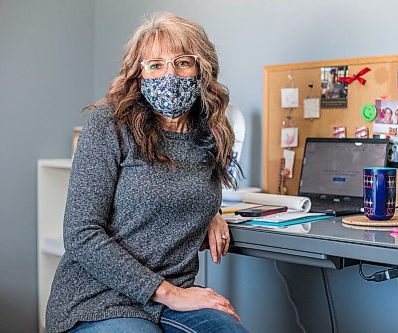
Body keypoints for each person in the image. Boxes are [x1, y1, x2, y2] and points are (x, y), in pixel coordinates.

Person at [46, 12, 248, 333]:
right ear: (138, 76)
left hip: (171, 302)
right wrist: (172, 294)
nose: (169, 75)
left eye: (182, 62)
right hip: (98, 299)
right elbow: (81, 235)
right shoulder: (108, 126)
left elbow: (180, 189)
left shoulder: (211, 134)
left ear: (201, 69)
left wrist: (212, 212)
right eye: (155, 65)